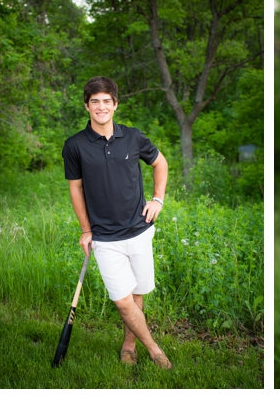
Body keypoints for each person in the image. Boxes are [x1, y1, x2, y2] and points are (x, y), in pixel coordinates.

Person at [62, 76, 172, 369]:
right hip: (104, 237)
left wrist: (157, 200)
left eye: (106, 101)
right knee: (122, 301)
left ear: (115, 104)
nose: (101, 106)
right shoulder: (75, 145)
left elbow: (160, 163)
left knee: (137, 294)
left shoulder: (133, 137)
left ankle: (129, 344)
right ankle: (155, 350)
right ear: (87, 106)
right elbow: (76, 188)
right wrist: (86, 229)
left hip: (139, 230)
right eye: (95, 101)